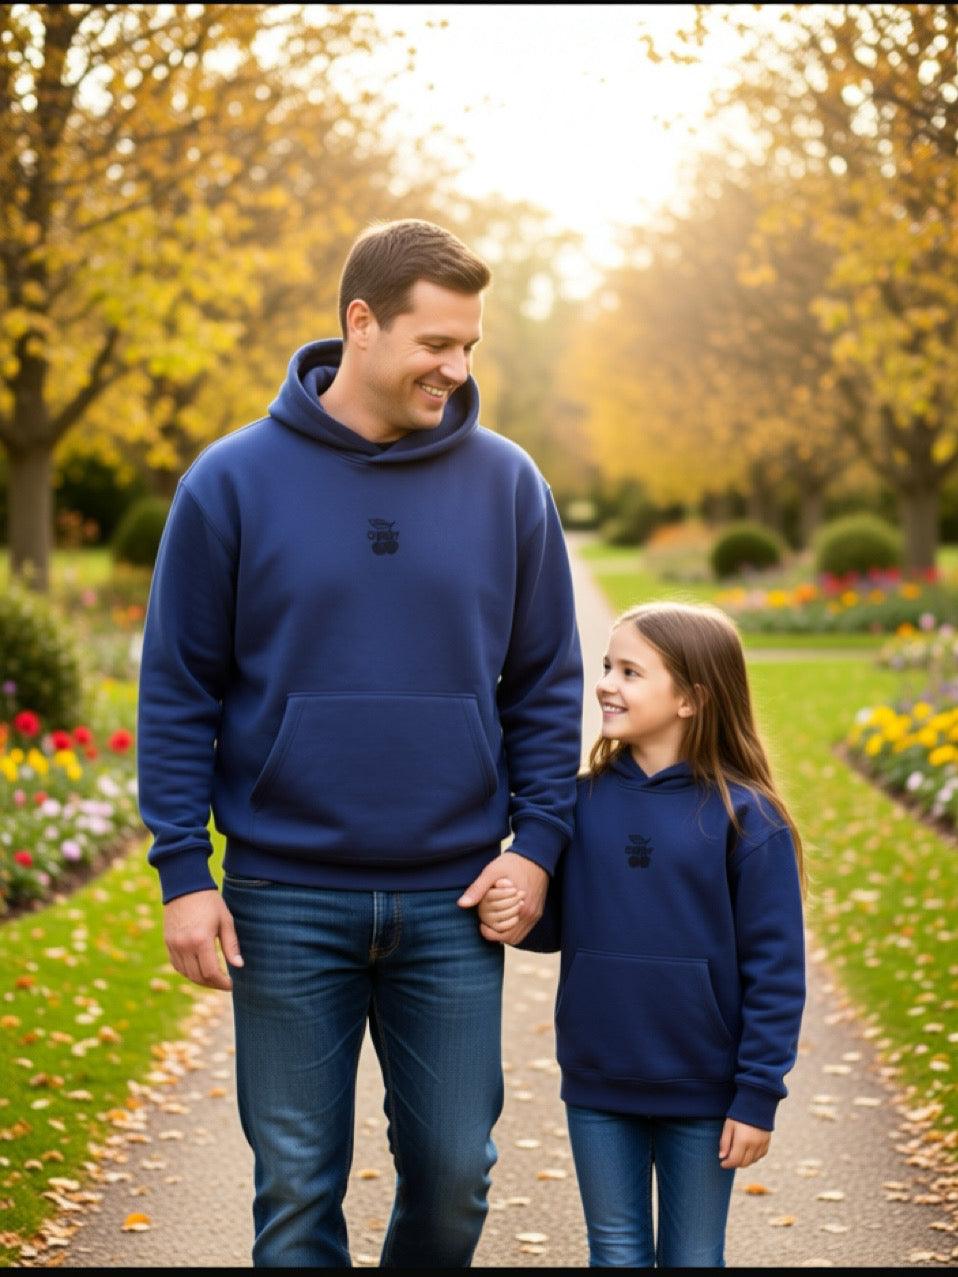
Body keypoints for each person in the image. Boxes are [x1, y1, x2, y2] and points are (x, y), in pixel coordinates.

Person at [135, 217, 584, 1267]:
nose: (456, 366)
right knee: (294, 1186)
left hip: (455, 896)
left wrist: (538, 843)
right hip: (284, 897)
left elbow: (548, 683)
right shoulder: (230, 482)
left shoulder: (508, 483)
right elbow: (176, 689)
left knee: (454, 1172)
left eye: (469, 344)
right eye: (436, 342)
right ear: (361, 324)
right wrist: (179, 872)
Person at [480, 600, 806, 1267]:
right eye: (607, 666)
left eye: (630, 671)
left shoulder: (748, 819)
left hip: (705, 1087)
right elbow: (560, 924)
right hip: (599, 1079)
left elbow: (775, 973)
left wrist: (757, 1094)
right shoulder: (577, 802)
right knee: (616, 1253)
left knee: (692, 1256)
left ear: (690, 697)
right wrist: (516, 916)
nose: (606, 683)